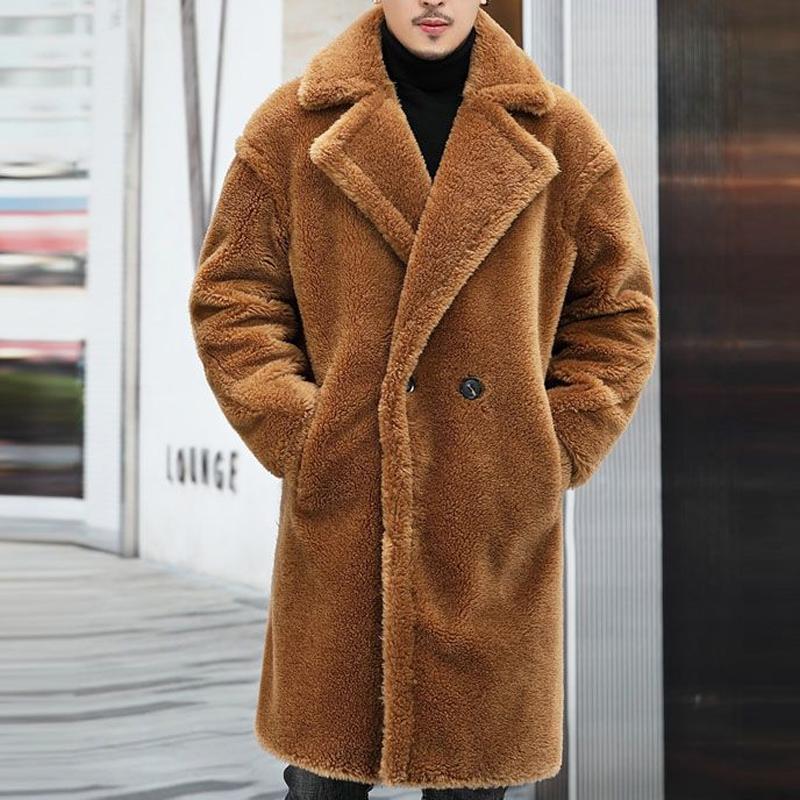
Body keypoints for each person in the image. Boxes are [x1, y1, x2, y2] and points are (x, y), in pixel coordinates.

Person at [188, 1, 659, 798]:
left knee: (474, 777)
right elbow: (233, 300)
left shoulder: (558, 133)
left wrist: (553, 444)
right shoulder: (294, 127)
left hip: (490, 510)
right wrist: (302, 432)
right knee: (324, 777)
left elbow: (617, 311)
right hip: (349, 505)